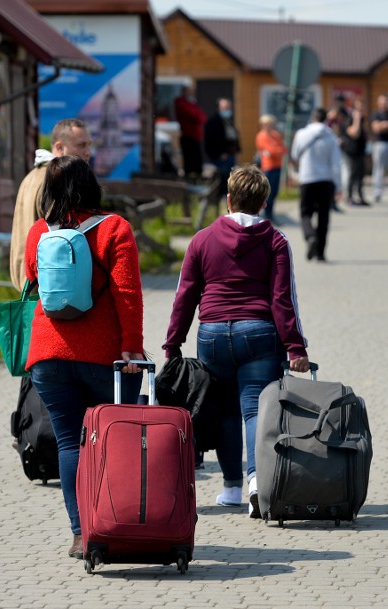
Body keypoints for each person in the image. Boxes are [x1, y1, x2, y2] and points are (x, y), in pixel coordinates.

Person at [162, 164, 311, 519]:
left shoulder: (202, 239)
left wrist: (172, 344)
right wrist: (296, 346)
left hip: (212, 333)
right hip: (258, 332)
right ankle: (257, 482)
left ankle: (231, 488)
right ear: (263, 202)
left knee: (225, 411)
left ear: (228, 199)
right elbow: (281, 299)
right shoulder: (275, 240)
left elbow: (185, 295)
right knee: (255, 410)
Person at [24, 156, 145, 560]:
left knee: (69, 444)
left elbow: (33, 279)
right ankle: (118, 524)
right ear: (92, 185)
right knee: (114, 442)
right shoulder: (114, 228)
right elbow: (127, 294)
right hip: (106, 358)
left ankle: (81, 534)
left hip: (48, 354)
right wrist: (132, 345)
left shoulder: (38, 232)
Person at [9, 118, 92, 291]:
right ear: (60, 147)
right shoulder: (57, 180)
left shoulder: (32, 175)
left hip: (28, 278)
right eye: (81, 145)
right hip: (49, 284)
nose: (88, 152)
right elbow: (61, 237)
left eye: (88, 145)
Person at [291, 107, 342, 261]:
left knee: (305, 213)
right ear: (326, 119)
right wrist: (339, 186)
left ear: (312, 118)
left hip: (307, 178)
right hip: (325, 180)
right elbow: (336, 164)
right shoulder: (330, 136)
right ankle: (320, 253)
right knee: (323, 216)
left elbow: (294, 154)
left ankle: (310, 236)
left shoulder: (301, 134)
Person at [204, 98, 241, 199]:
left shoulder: (229, 121)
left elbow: (234, 137)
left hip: (231, 155)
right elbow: (210, 141)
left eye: (229, 107)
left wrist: (237, 150)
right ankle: (220, 199)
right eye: (225, 107)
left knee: (231, 179)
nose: (227, 110)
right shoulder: (213, 122)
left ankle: (229, 198)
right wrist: (219, 153)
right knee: (222, 179)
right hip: (219, 158)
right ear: (218, 108)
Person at [255, 114, 287, 223]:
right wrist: (277, 151)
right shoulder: (261, 136)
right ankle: (266, 214)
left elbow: (283, 149)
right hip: (268, 167)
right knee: (267, 192)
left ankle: (270, 214)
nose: (270, 126)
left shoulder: (275, 134)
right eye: (267, 124)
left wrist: (276, 151)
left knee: (274, 192)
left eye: (271, 124)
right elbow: (270, 150)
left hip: (277, 166)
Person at [174, 85, 207, 178]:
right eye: (189, 91)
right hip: (188, 136)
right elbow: (195, 116)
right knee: (190, 162)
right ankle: (191, 179)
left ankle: (197, 178)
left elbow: (202, 117)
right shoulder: (181, 103)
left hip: (196, 137)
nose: (191, 93)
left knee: (197, 162)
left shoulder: (191, 103)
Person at [343, 97, 369, 206]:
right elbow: (355, 133)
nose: (361, 109)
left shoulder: (363, 119)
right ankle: (349, 197)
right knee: (351, 174)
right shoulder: (349, 119)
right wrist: (357, 119)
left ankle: (360, 196)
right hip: (350, 151)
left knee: (360, 175)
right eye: (358, 107)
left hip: (360, 151)